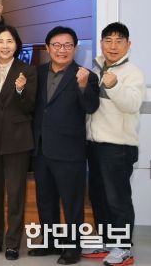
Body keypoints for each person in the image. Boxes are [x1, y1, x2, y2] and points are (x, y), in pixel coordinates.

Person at [28, 26, 100, 265]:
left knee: (72, 202)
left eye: (68, 45)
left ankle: (73, 247)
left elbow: (91, 107)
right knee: (45, 199)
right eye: (57, 45)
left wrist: (82, 86)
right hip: (42, 148)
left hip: (70, 150)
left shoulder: (86, 75)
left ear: (75, 48)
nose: (62, 50)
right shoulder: (37, 73)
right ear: (48, 48)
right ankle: (50, 242)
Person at [83, 22, 144, 266]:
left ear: (128, 45)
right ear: (101, 43)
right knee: (98, 197)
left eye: (119, 41)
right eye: (108, 40)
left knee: (118, 200)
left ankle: (124, 248)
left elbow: (132, 104)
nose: (113, 46)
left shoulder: (132, 73)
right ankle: (108, 242)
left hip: (118, 147)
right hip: (94, 145)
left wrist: (114, 85)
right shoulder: (95, 69)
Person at [0, 26, 36, 261]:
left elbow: (30, 106)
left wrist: (20, 90)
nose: (4, 46)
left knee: (15, 194)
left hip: (17, 140)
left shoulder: (28, 70)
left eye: (9, 41)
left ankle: (12, 243)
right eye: (0, 41)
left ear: (16, 45)